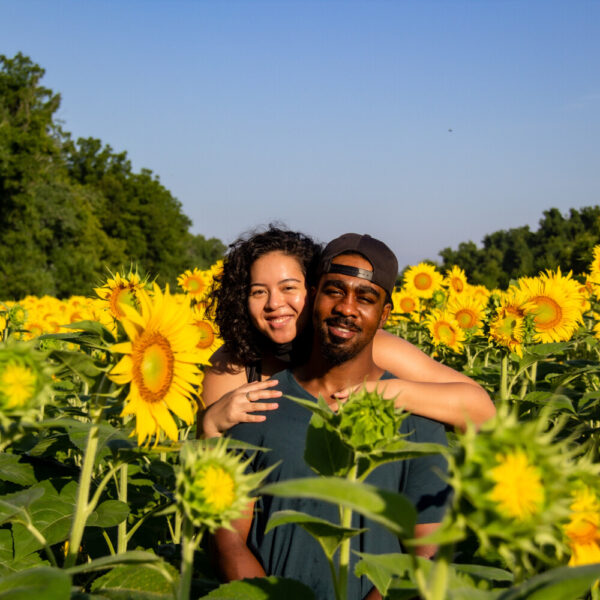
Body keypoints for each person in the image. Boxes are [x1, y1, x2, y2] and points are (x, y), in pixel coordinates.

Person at [214, 233, 451, 600]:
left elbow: (428, 554)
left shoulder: (418, 420)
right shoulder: (257, 404)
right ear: (313, 297)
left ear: (385, 314)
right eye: (334, 291)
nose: (347, 307)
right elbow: (228, 540)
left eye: (366, 297)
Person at [199, 225, 494, 439]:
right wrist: (209, 425)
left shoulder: (370, 348)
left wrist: (386, 391)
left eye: (289, 288)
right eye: (259, 292)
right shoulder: (234, 365)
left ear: (313, 292)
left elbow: (482, 412)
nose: (275, 304)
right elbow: (209, 491)